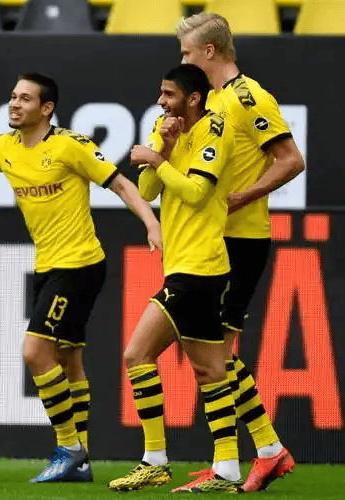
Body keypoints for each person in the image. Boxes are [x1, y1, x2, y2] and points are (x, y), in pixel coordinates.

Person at [0, 72, 162, 483]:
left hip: (78, 266)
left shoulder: (70, 146)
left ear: (46, 109)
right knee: (68, 358)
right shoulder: (2, 147)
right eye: (13, 96)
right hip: (48, 266)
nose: (14, 104)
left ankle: (69, 448)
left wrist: (152, 224)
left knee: (34, 351)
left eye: (25, 98)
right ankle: (83, 461)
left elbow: (121, 185)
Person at [176, 13, 305, 492]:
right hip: (213, 240)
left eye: (187, 53)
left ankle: (237, 461)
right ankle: (265, 451)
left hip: (241, 241)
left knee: (211, 353)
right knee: (212, 353)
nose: (182, 61)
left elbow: (291, 159)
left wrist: (241, 197)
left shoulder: (249, 97)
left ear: (210, 51)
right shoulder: (209, 101)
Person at [108, 64, 241, 493]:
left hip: (198, 267)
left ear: (194, 98)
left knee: (136, 355)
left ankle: (155, 460)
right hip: (187, 265)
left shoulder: (216, 130)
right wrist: (163, 147)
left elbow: (198, 194)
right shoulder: (164, 126)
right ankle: (227, 470)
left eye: (169, 94)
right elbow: (148, 191)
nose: (162, 101)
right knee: (210, 370)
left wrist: (157, 160)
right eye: (161, 93)